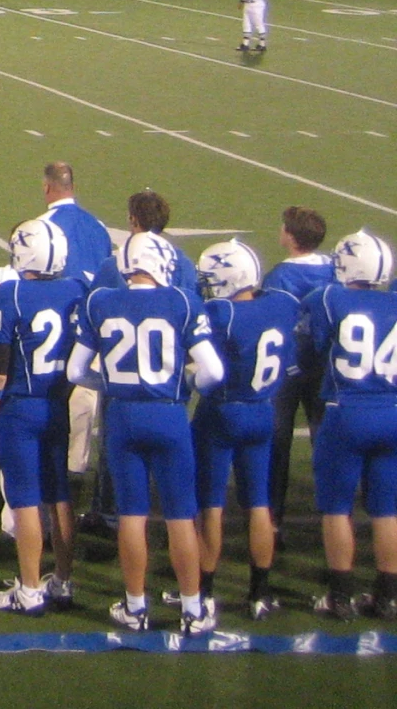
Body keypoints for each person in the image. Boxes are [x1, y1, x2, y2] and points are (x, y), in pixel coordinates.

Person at [70, 232, 222, 634]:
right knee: (180, 517)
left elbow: (75, 371)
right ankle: (192, 609)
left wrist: (110, 385)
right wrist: (188, 387)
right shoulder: (183, 301)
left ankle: (135, 607)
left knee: (131, 516)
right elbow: (214, 371)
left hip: (122, 416)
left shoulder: (99, 300)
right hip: (168, 415)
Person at [192, 239, 298, 619]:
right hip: (263, 411)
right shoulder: (282, 305)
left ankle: (203, 592)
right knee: (259, 505)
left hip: (222, 413)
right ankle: (259, 594)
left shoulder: (221, 312)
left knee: (211, 507)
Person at [300, 230, 397, 621]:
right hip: (392, 410)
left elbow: (319, 346)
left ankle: (340, 596)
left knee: (337, 508)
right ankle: (388, 596)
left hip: (347, 410)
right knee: (388, 509)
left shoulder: (328, 297)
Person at [264, 207, 335, 546]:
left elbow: (272, 319)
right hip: (324, 366)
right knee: (326, 440)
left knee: (277, 442)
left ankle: (273, 518)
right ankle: (334, 514)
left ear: (290, 237)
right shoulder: (333, 270)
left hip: (287, 367)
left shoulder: (280, 276)